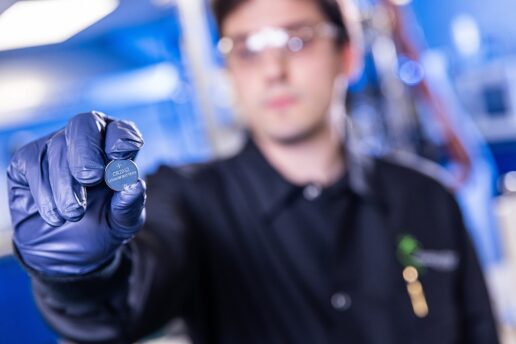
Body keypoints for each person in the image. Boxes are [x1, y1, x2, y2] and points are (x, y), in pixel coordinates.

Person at [7, 0, 499, 343]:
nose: (272, 70)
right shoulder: (186, 200)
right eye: (246, 48)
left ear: (346, 55)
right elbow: (121, 310)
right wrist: (81, 275)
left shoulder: (427, 198)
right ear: (231, 73)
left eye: (297, 40)